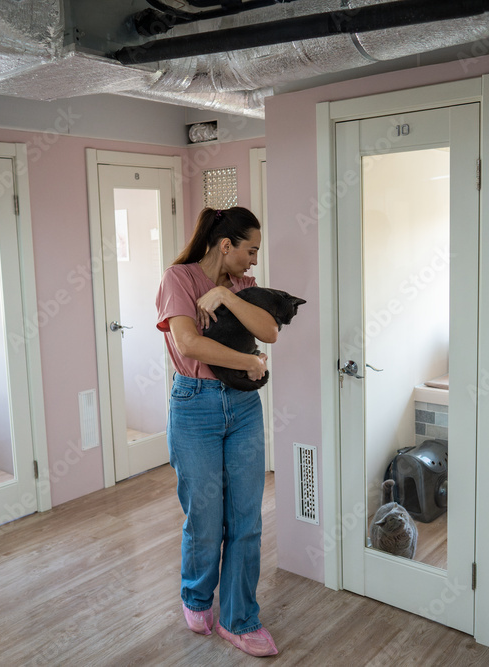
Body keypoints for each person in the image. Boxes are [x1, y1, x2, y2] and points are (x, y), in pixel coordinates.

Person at [155, 206, 280, 657]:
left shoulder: (243, 286)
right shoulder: (179, 279)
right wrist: (249, 361)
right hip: (195, 405)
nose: (254, 259)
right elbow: (188, 343)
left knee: (246, 519)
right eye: (251, 250)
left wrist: (226, 295)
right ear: (226, 245)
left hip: (243, 407)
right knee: (205, 519)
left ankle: (239, 620)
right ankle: (196, 597)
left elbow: (269, 330)